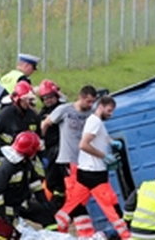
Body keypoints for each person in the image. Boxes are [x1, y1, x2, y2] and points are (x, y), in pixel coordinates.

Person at [56, 96, 130, 240]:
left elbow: (100, 137)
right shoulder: (94, 122)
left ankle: (59, 233)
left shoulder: (96, 122)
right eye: (109, 111)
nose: (111, 114)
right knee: (112, 208)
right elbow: (83, 144)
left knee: (71, 207)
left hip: (88, 173)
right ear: (101, 106)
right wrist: (103, 156)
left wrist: (111, 141)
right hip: (94, 174)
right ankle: (126, 236)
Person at [40, 85, 97, 228]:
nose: (91, 105)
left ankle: (61, 221)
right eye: (89, 101)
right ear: (81, 97)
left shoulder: (92, 114)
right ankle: (75, 229)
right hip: (68, 160)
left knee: (80, 196)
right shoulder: (65, 110)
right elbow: (45, 123)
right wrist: (41, 142)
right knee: (75, 195)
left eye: (93, 102)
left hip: (85, 161)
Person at [0, 131, 56, 237]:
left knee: (48, 216)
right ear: (30, 152)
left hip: (19, 205)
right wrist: (3, 215)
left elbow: (35, 184)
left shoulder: (26, 164)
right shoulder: (7, 168)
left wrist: (44, 203)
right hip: (2, 208)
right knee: (11, 234)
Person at [0, 81, 41, 195]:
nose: (29, 102)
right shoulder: (5, 114)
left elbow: (39, 138)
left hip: (25, 158)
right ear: (18, 99)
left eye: (30, 99)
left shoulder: (33, 117)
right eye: (27, 99)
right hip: (4, 155)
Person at [36, 79, 66, 169]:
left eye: (51, 97)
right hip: (49, 149)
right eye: (45, 98)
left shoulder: (63, 108)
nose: (48, 100)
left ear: (56, 96)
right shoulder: (42, 113)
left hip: (62, 147)